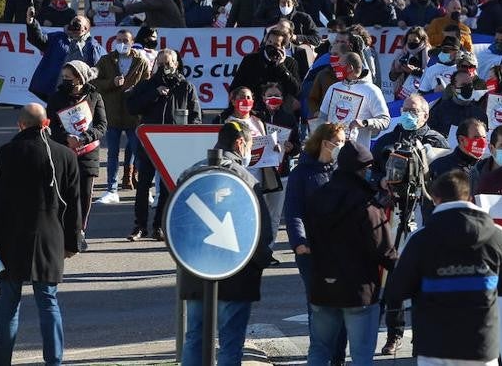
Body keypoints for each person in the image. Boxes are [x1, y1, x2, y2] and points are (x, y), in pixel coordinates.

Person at [384, 170, 502, 366]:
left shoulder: (420, 240)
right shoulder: (497, 235)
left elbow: (397, 290)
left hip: (435, 346)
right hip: (481, 345)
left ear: (436, 199)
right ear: (469, 197)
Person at [178, 122, 274, 366]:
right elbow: (262, 229)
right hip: (237, 270)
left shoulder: (189, 173)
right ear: (240, 143)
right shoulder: (245, 179)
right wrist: (260, 261)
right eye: (250, 145)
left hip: (195, 267)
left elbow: (175, 221)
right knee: (230, 341)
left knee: (195, 336)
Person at [0, 104, 81, 366]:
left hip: (10, 239)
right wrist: (72, 242)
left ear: (20, 125)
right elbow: (73, 203)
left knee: (9, 304)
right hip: (49, 237)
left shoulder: (5, 154)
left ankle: (1, 359)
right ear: (46, 124)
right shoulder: (65, 155)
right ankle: (54, 361)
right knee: (48, 302)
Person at [303, 142, 397, 366]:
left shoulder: (318, 197)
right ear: (362, 170)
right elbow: (382, 249)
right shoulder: (367, 206)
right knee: (362, 355)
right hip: (359, 291)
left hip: (323, 285)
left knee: (319, 350)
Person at [284, 123, 348, 366]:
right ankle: (320, 357)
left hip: (341, 253)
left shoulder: (344, 171)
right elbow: (293, 212)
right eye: (338, 142)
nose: (341, 146)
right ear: (325, 143)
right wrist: (300, 244)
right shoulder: (302, 173)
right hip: (312, 253)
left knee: (342, 306)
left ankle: (338, 358)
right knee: (320, 308)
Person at [125, 48, 201, 239]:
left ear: (176, 64)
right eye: (161, 64)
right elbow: (132, 107)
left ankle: (159, 225)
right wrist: (154, 93)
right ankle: (139, 226)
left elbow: (196, 117)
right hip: (148, 143)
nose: (164, 67)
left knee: (168, 187)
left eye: (168, 64)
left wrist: (187, 137)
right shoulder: (148, 85)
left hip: (173, 144)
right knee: (143, 185)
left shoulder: (186, 87)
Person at [45, 61, 105, 249]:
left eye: (69, 78)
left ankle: (80, 232)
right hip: (64, 151)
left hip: (88, 153)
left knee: (84, 195)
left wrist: (85, 138)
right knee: (64, 194)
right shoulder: (56, 98)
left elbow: (102, 126)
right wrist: (65, 138)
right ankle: (64, 231)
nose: (65, 81)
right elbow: (50, 125)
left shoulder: (94, 96)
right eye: (63, 78)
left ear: (80, 77)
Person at [93, 29, 150, 204]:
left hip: (133, 116)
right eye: (119, 40)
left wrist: (135, 92)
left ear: (132, 42)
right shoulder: (106, 60)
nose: (122, 43)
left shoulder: (141, 61)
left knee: (140, 155)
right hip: (112, 115)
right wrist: (112, 82)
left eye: (125, 40)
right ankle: (112, 189)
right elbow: (95, 82)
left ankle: (144, 190)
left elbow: (147, 84)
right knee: (112, 154)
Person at [26, 14, 105, 102]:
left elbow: (98, 72)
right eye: (72, 23)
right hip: (57, 94)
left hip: (79, 96)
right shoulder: (59, 38)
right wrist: (32, 23)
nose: (73, 25)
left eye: (77, 24)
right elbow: (38, 39)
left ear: (85, 29)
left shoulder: (93, 47)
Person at [318, 52, 389, 149]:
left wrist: (365, 123)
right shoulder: (333, 87)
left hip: (356, 154)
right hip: (330, 151)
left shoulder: (372, 90)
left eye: (340, 65)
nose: (336, 68)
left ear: (350, 68)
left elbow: (385, 121)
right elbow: (322, 117)